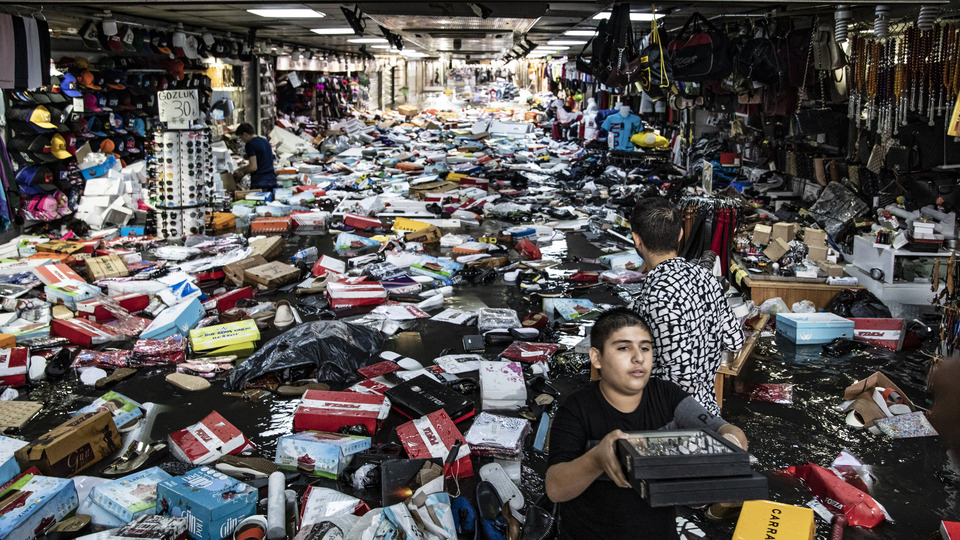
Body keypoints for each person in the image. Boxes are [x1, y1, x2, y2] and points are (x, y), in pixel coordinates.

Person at [545, 308, 749, 539]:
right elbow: (555, 488)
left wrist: (727, 446)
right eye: (623, 348)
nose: (638, 358)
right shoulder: (576, 410)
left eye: (645, 348)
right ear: (597, 357)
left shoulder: (667, 396)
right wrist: (596, 459)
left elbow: (727, 430)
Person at [629, 197, 745, 416]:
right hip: (709, 412)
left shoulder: (657, 294)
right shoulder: (706, 277)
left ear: (637, 239)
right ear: (680, 234)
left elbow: (680, 380)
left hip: (674, 422)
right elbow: (735, 339)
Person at [232, 123, 277, 189]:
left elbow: (253, 167)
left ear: (245, 134)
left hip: (260, 182)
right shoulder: (265, 141)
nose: (242, 141)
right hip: (271, 179)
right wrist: (240, 169)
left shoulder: (250, 144)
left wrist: (241, 173)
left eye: (241, 138)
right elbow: (259, 163)